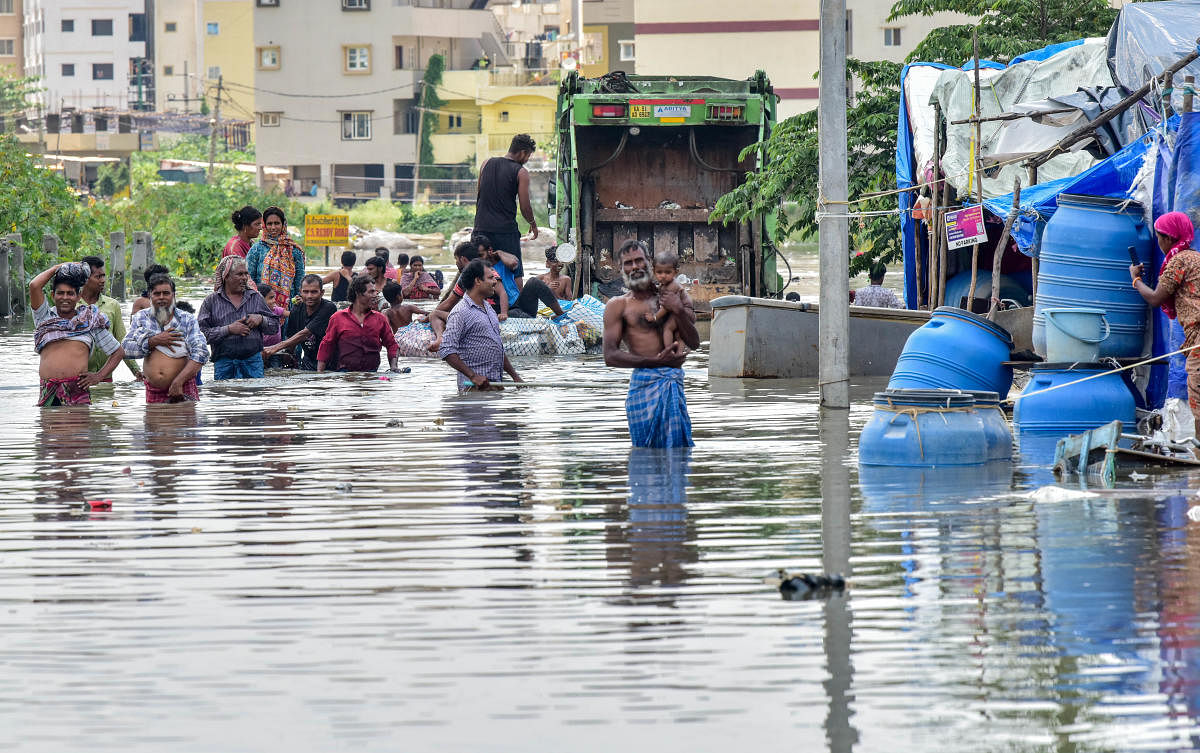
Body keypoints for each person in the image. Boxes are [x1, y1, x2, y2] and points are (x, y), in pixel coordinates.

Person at [603, 240, 699, 448]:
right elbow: (610, 356)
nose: (635, 267)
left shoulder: (674, 296)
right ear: (621, 269)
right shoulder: (618, 305)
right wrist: (655, 361)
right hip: (642, 387)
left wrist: (678, 310)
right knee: (642, 456)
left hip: (672, 382)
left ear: (650, 263)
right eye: (628, 263)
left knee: (678, 454)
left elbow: (694, 342)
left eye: (639, 260)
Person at [1132, 211, 1200, 430]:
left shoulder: (1178, 261)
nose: (1159, 243)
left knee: (1198, 401)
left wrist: (1135, 279)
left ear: (1169, 238)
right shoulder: (1196, 258)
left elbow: (1155, 298)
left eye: (1160, 238)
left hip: (1198, 338)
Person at [28, 262, 126, 406]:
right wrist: (59, 267)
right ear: (53, 295)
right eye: (60, 293)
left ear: (78, 295)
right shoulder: (44, 318)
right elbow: (34, 285)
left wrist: (98, 376)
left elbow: (118, 352)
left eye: (70, 293)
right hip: (49, 392)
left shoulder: (89, 321)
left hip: (78, 392)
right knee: (49, 427)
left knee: (79, 428)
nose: (65, 298)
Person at [121, 274, 209, 403]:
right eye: (157, 294)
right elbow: (125, 349)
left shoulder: (186, 319)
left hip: (183, 387)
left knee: (187, 422)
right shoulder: (140, 317)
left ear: (173, 295)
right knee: (154, 422)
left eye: (166, 293)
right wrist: (153, 341)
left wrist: (179, 381)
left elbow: (201, 353)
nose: (161, 297)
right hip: (153, 391)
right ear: (150, 295)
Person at [439, 259, 522, 390]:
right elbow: (446, 350)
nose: (495, 281)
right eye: (490, 278)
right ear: (478, 281)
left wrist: (515, 377)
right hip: (473, 390)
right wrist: (473, 376)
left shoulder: (488, 308)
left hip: (494, 384)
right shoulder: (460, 312)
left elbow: (497, 347)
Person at [198, 256, 279, 380]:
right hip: (224, 364)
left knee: (254, 397)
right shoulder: (211, 301)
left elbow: (274, 327)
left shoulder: (256, 298)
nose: (244, 278)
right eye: (239, 274)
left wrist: (261, 319)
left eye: (246, 274)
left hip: (253, 363)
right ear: (226, 277)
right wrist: (229, 329)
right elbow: (201, 335)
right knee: (226, 397)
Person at [473, 133, 539, 284]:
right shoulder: (521, 172)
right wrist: (533, 224)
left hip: (481, 229)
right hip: (505, 231)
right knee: (515, 272)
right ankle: (517, 305)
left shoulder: (486, 163)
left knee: (477, 272)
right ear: (522, 153)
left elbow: (479, 194)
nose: (527, 160)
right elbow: (525, 206)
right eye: (528, 156)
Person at [316, 275, 400, 373]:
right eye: (371, 292)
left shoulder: (380, 318)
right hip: (345, 376)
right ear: (358, 294)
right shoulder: (338, 318)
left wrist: (394, 367)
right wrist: (319, 374)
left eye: (375, 291)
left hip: (372, 375)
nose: (375, 295)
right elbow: (326, 346)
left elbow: (392, 345)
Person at [79, 255, 143, 382]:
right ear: (85, 279)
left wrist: (136, 371)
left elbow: (122, 341)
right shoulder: (73, 305)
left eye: (103, 276)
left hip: (105, 377)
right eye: (98, 276)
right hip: (80, 378)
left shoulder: (112, 305)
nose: (103, 280)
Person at [477, 233, 563, 319]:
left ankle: (560, 314)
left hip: (520, 302)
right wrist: (504, 313)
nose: (479, 259)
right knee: (519, 315)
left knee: (534, 282)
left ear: (490, 251)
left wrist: (499, 253)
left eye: (481, 255)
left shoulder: (503, 260)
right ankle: (533, 321)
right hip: (508, 310)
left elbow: (513, 262)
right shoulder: (482, 270)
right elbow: (502, 293)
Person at [266, 274, 338, 371]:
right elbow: (292, 338)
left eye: (314, 292)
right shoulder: (297, 308)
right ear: (300, 292)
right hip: (308, 361)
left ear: (322, 293)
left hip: (330, 361)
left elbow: (305, 333)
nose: (309, 296)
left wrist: (275, 347)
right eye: (306, 292)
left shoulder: (329, 308)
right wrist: (288, 359)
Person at [247, 206, 305, 302]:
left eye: (277, 223)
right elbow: (249, 279)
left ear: (283, 225)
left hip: (289, 305)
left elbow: (300, 281)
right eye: (269, 224)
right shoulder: (256, 249)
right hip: (261, 303)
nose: (273, 227)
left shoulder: (294, 250)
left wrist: (298, 301)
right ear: (264, 225)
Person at [642, 250, 694, 356]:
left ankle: (668, 351)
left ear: (676, 272)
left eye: (668, 272)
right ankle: (679, 353)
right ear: (654, 271)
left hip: (684, 312)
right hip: (685, 313)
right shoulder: (664, 285)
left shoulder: (672, 286)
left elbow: (666, 307)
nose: (663, 276)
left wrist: (655, 317)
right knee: (679, 334)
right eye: (659, 272)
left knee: (667, 328)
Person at [259, 286, 290, 366]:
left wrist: (299, 305)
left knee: (275, 370)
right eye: (271, 298)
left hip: (276, 350)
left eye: (274, 298)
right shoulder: (255, 313)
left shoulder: (276, 310)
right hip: (260, 351)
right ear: (260, 300)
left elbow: (291, 314)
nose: (274, 301)